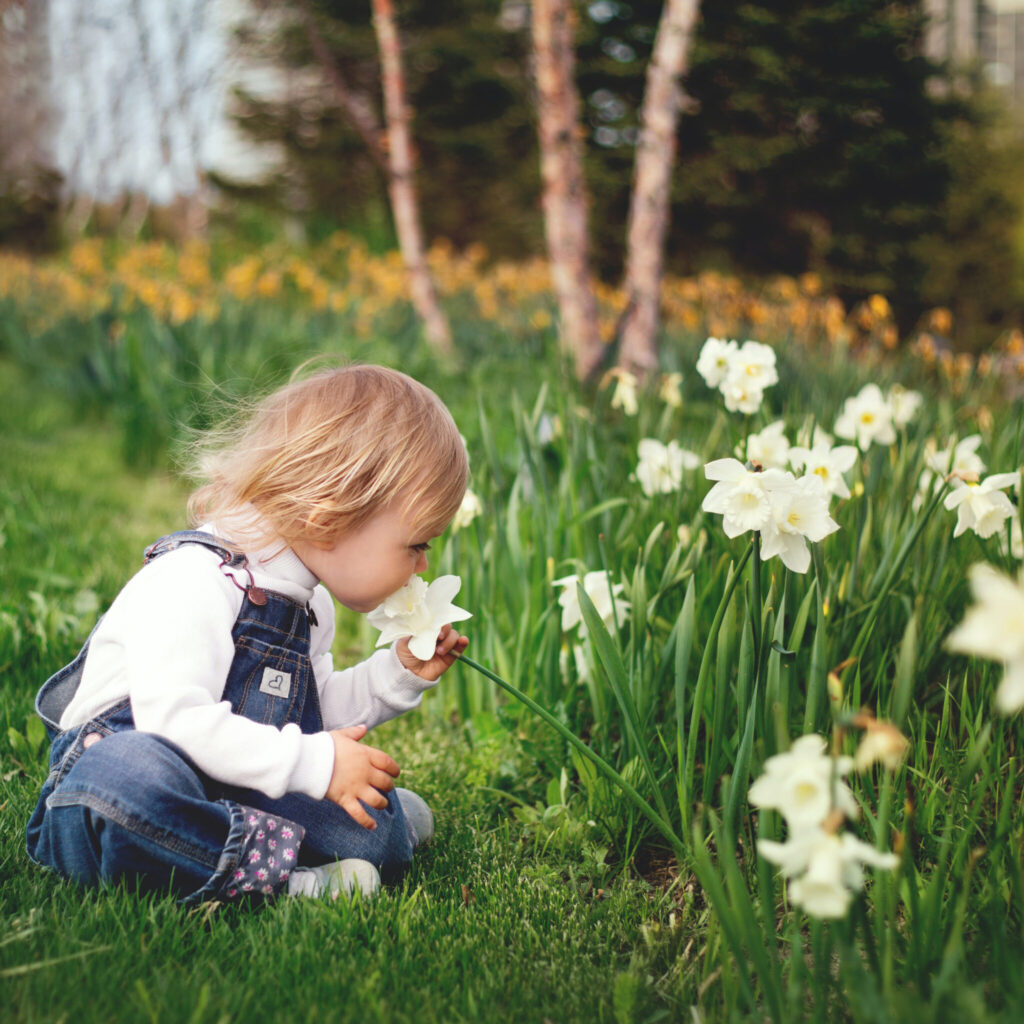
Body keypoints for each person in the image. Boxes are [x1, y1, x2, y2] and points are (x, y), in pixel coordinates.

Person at [26, 364, 470, 904]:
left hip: (229, 777)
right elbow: (174, 723)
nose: (422, 565)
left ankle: (360, 829)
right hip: (125, 780)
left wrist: (395, 675)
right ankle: (283, 881)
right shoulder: (195, 579)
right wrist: (316, 764)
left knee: (375, 832)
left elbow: (310, 714)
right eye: (417, 544)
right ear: (331, 515)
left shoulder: (309, 604)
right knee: (128, 781)